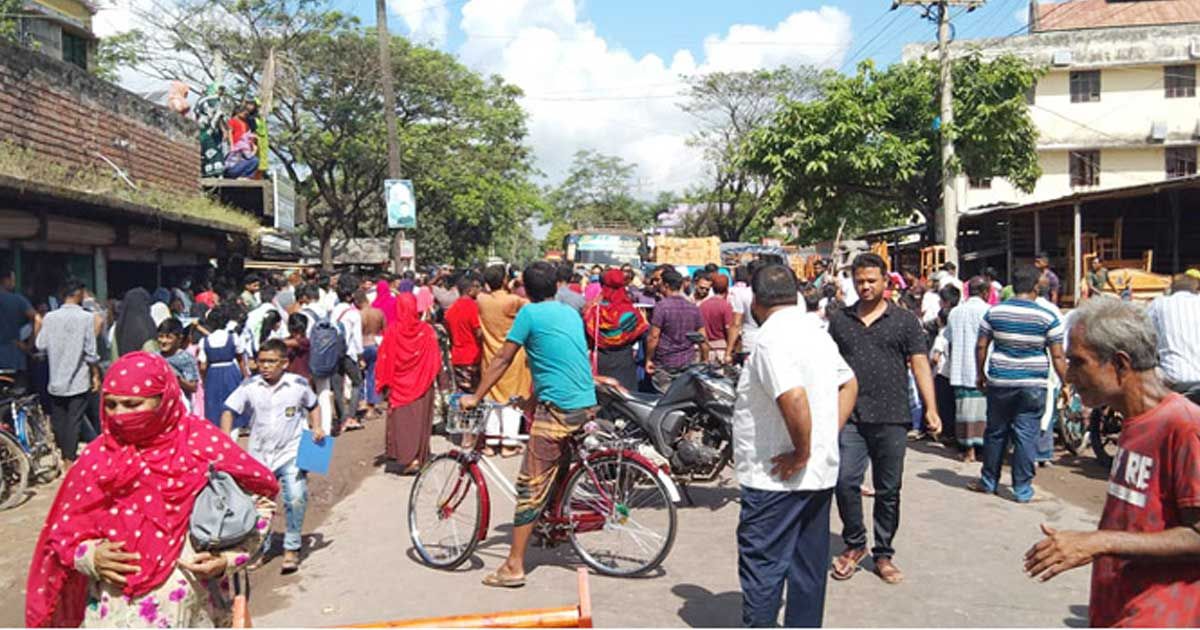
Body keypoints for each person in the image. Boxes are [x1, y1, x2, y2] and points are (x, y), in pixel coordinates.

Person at [25, 352, 279, 628]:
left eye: (132, 404)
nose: (120, 415)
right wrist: (90, 557)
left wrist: (228, 559)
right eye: (111, 405)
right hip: (115, 610)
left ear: (164, 400)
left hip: (197, 607)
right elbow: (62, 533)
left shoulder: (201, 443)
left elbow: (261, 502)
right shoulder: (97, 457)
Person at [1024, 298, 1200, 627]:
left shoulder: (1183, 426)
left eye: (1078, 362)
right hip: (1118, 606)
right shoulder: (1133, 422)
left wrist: (1099, 541)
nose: (1070, 375)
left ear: (1120, 364)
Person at [733, 265, 858, 628]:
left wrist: (803, 450)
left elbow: (794, 397)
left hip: (775, 481)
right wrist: (821, 439)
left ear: (755, 301)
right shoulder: (813, 330)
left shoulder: (772, 338)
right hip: (815, 477)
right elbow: (849, 384)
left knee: (764, 573)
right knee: (807, 571)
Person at [460, 261, 597, 588]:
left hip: (559, 410)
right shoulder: (568, 312)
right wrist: (530, 402)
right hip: (583, 402)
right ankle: (552, 529)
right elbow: (554, 362)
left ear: (526, 289)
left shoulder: (529, 315)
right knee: (558, 470)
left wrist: (476, 396)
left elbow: (504, 358)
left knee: (530, 485)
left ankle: (513, 566)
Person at [828, 253, 941, 585]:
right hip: (850, 416)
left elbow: (920, 363)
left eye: (871, 281)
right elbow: (825, 366)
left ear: (886, 282)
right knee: (845, 481)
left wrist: (931, 409)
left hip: (893, 416)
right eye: (859, 281)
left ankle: (883, 553)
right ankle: (855, 543)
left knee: (888, 489)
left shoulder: (905, 321)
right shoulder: (840, 320)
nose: (865, 286)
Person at [221, 340, 324, 575]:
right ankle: (261, 549)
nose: (265, 366)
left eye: (271, 362)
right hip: (259, 456)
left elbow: (314, 405)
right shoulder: (249, 386)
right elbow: (229, 410)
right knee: (259, 506)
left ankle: (291, 548)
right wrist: (226, 438)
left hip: (291, 451)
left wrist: (316, 427)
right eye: (261, 361)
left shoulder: (297, 385)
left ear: (284, 363)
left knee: (296, 497)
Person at [968, 265, 1066, 503]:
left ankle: (988, 481)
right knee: (1026, 434)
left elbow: (981, 346)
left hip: (1000, 380)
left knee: (996, 432)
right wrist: (1066, 382)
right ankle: (1022, 490)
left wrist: (980, 374)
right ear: (1035, 287)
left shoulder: (994, 312)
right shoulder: (1048, 317)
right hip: (1033, 384)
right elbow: (1058, 356)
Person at [35, 279, 100, 463]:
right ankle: (69, 459)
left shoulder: (50, 317)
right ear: (78, 293)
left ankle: (64, 455)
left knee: (60, 419)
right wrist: (95, 375)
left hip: (55, 378)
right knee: (74, 420)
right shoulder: (86, 318)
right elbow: (91, 352)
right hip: (78, 378)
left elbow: (40, 345)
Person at [375, 294, 441, 474]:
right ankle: (419, 457)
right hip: (422, 383)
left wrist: (385, 384)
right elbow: (436, 359)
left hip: (400, 385)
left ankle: (408, 458)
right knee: (420, 421)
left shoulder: (393, 331)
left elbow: (385, 359)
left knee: (403, 422)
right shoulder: (426, 331)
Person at [477, 265, 531, 457]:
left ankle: (491, 443)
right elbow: (532, 303)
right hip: (512, 356)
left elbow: (485, 292)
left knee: (491, 400)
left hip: (490, 355)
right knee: (511, 401)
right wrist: (517, 283)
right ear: (504, 281)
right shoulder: (515, 301)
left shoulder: (482, 300)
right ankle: (509, 444)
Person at [945, 277, 991, 462]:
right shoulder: (988, 311)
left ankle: (968, 450)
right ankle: (982, 450)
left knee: (963, 411)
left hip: (959, 367)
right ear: (986, 292)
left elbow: (949, 339)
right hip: (981, 368)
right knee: (982, 410)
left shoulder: (955, 312)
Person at [584, 268, 650, 392]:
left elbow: (587, 336)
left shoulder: (594, 311)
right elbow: (643, 333)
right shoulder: (630, 312)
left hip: (601, 362)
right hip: (624, 361)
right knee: (627, 403)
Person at [646, 268, 709, 394]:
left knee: (664, 400)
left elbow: (653, 337)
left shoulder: (661, 307)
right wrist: (704, 359)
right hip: (687, 362)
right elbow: (703, 337)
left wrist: (648, 359)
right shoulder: (692, 308)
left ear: (666, 285)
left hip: (665, 363)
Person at [1145, 273, 1200, 394]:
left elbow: (1144, 334)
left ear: (1172, 289)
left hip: (1174, 377)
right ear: (1196, 289)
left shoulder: (1159, 303)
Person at [198, 307, 248, 431]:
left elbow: (203, 366)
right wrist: (245, 375)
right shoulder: (233, 337)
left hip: (213, 376)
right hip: (231, 373)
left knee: (214, 407)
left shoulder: (204, 341)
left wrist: (204, 381)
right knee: (233, 404)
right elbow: (241, 358)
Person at [330, 276, 364, 433]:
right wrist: (360, 356)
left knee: (337, 386)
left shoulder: (333, 310)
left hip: (333, 352)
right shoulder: (353, 313)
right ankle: (350, 416)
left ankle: (342, 417)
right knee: (357, 382)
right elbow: (357, 340)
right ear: (350, 295)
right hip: (348, 353)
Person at [1, 265, 41, 387]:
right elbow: (37, 319)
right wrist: (30, 345)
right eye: (13, 280)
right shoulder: (17, 300)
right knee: (17, 396)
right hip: (14, 357)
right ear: (5, 280)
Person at [445, 276, 484, 395]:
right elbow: (478, 332)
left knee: (462, 394)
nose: (479, 290)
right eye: (476, 287)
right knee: (475, 394)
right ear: (470, 290)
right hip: (473, 357)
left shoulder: (450, 310)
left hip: (457, 356)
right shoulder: (473, 307)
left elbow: (450, 334)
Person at [155, 318, 198, 410]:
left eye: (169, 337)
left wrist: (177, 380)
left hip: (179, 406)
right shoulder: (154, 357)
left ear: (179, 338)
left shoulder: (185, 359)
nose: (163, 341)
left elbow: (193, 387)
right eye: (161, 336)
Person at [357, 290, 386, 418]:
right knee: (373, 375)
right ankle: (372, 407)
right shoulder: (378, 313)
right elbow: (384, 329)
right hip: (375, 344)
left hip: (362, 345)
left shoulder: (358, 315)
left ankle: (363, 403)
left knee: (361, 376)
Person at [699, 273, 734, 364]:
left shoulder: (703, 305)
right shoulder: (726, 306)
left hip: (705, 348)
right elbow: (729, 329)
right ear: (727, 289)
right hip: (721, 349)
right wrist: (729, 352)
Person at [113, 288, 157, 358]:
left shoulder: (119, 327)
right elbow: (152, 356)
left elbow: (114, 356)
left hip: (123, 367)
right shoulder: (147, 327)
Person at [283, 313, 311, 381]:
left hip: (302, 378)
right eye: (295, 332)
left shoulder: (305, 341)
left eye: (301, 332)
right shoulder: (287, 340)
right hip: (288, 377)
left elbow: (290, 343)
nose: (298, 335)